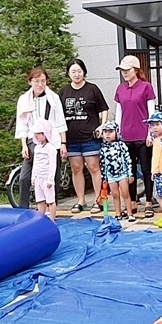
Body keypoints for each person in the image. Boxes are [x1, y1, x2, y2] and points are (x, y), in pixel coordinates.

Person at [59, 59, 109, 215]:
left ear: (84, 72)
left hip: (90, 137)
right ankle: (81, 200)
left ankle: (99, 200)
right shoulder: (63, 92)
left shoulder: (92, 89)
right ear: (68, 73)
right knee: (76, 169)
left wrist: (102, 125)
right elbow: (58, 116)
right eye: (73, 71)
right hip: (71, 138)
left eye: (79, 71)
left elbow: (104, 109)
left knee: (94, 167)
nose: (76, 74)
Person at [16, 68, 68, 210]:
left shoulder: (53, 98)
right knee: (25, 177)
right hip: (33, 141)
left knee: (52, 176)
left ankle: (52, 210)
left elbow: (60, 122)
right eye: (36, 81)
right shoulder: (24, 100)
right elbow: (22, 124)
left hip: (52, 141)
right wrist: (24, 145)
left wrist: (63, 143)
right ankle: (23, 209)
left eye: (43, 81)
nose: (40, 84)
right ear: (30, 82)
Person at [113, 56, 156, 217]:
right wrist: (117, 132)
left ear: (136, 70)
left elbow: (151, 112)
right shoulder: (120, 88)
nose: (124, 73)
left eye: (127, 70)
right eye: (122, 70)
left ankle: (149, 201)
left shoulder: (146, 87)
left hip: (143, 135)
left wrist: (150, 133)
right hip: (126, 136)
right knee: (129, 171)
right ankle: (132, 202)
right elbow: (119, 112)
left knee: (146, 169)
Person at [99, 121, 132, 220]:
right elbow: (103, 164)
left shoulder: (121, 145)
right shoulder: (103, 148)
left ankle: (130, 213)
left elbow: (128, 159)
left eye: (111, 131)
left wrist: (130, 174)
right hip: (110, 176)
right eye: (105, 132)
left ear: (116, 132)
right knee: (115, 195)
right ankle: (118, 213)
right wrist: (104, 178)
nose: (108, 134)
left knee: (125, 193)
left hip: (122, 174)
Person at [29, 119, 60, 221]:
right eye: (35, 134)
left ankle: (52, 219)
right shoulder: (37, 148)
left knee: (50, 200)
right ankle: (40, 219)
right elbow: (35, 163)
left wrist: (50, 179)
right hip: (38, 177)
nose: (36, 136)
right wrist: (33, 177)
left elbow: (53, 164)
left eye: (39, 133)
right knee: (40, 200)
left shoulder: (50, 148)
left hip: (46, 178)